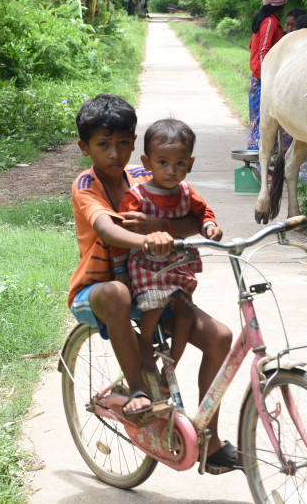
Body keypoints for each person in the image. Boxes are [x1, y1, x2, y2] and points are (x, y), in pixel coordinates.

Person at [69, 94, 240, 473]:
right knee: (117, 292)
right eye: (103, 145)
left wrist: (160, 226)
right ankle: (138, 391)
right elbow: (107, 228)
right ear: (85, 148)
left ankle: (208, 439)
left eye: (123, 143)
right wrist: (148, 239)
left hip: (151, 287)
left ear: (134, 143)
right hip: (97, 292)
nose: (115, 153)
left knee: (221, 338)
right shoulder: (86, 184)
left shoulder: (147, 176)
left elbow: (192, 217)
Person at [113, 119, 222, 391]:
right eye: (162, 162)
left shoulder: (186, 193)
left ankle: (169, 365)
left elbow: (203, 213)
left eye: (180, 164)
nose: (172, 171)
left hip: (176, 265)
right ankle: (146, 345)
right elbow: (120, 232)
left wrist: (210, 225)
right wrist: (120, 269)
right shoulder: (136, 196)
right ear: (147, 163)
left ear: (190, 163)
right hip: (146, 265)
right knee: (155, 303)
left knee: (185, 313)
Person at [248, 0, 286, 151]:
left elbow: (252, 45)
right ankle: (258, 162)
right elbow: (264, 51)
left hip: (260, 78)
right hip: (263, 80)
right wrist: (269, 80)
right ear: (280, 5)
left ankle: (261, 163)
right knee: (262, 123)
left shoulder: (265, 20)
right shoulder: (269, 22)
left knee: (260, 121)